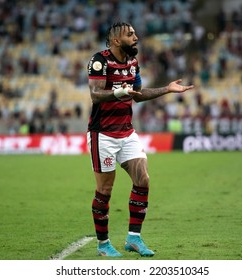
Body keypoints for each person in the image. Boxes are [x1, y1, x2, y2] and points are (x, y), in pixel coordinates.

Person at [87, 22, 194, 257]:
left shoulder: (133, 63)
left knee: (143, 179)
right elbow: (95, 95)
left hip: (126, 132)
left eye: (135, 32)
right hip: (102, 134)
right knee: (105, 189)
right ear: (116, 40)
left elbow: (138, 94)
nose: (136, 36)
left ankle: (133, 238)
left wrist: (166, 89)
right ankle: (103, 244)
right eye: (130, 34)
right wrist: (118, 92)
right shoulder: (100, 61)